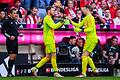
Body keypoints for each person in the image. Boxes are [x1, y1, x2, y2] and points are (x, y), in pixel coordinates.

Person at [31, 6, 64, 77]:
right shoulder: (48, 18)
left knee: (48, 57)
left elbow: (54, 27)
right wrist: (62, 21)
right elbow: (54, 26)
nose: (54, 12)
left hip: (49, 39)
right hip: (49, 40)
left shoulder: (49, 18)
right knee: (53, 56)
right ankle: (56, 72)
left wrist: (61, 22)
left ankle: (35, 68)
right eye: (53, 10)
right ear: (49, 11)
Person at [68, 5, 98, 77]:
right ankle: (94, 70)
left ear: (87, 9)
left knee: (84, 56)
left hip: (91, 39)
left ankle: (83, 73)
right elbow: (79, 25)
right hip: (91, 39)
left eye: (84, 9)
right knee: (86, 56)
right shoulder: (86, 18)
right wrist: (70, 21)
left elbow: (91, 29)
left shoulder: (90, 17)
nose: (82, 11)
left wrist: (81, 30)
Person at [1, 8, 23, 77]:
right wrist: (9, 36)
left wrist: (19, 34)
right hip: (10, 42)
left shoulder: (16, 21)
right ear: (10, 14)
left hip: (16, 41)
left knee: (14, 57)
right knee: (11, 56)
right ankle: (9, 73)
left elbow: (15, 31)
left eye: (16, 13)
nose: (16, 14)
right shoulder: (6, 21)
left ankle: (9, 72)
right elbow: (3, 31)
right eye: (14, 13)